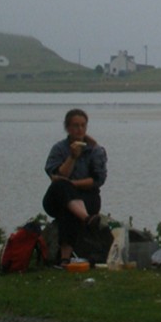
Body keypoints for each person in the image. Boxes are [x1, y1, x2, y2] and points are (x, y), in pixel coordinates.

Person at [42, 108, 107, 265]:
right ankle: (86, 219)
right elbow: (56, 175)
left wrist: (72, 184)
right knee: (61, 187)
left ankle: (65, 258)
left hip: (87, 197)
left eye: (83, 125)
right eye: (75, 126)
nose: (80, 129)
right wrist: (72, 157)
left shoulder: (95, 151)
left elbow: (98, 180)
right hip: (58, 197)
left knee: (68, 210)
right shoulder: (59, 149)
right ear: (68, 128)